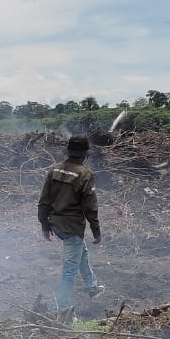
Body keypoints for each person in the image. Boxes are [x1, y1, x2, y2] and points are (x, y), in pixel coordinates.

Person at [38, 135, 103, 321]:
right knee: (69, 270)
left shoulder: (54, 170)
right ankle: (63, 310)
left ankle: (93, 287)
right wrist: (96, 231)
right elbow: (90, 207)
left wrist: (44, 224)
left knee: (80, 250)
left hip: (56, 224)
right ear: (85, 155)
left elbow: (44, 200)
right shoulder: (84, 174)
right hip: (72, 227)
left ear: (68, 151)